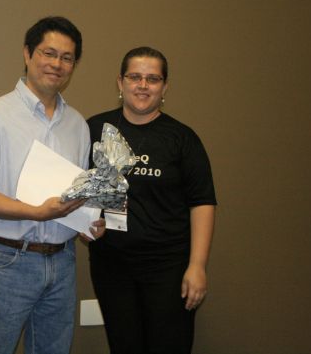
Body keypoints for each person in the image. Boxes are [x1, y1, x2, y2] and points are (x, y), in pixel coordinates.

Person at [0, 16, 105, 354]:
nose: (57, 64)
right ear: (27, 53)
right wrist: (37, 213)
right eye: (48, 53)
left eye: (67, 57)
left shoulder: (77, 125)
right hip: (9, 261)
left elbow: (76, 192)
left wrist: (88, 223)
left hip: (63, 260)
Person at [87, 46, 217, 354]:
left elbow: (202, 203)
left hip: (168, 268)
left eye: (153, 79)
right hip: (112, 267)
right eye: (134, 77)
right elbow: (79, 188)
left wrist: (197, 266)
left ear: (164, 86)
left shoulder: (182, 138)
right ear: (120, 82)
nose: (142, 85)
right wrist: (85, 224)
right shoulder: (95, 129)